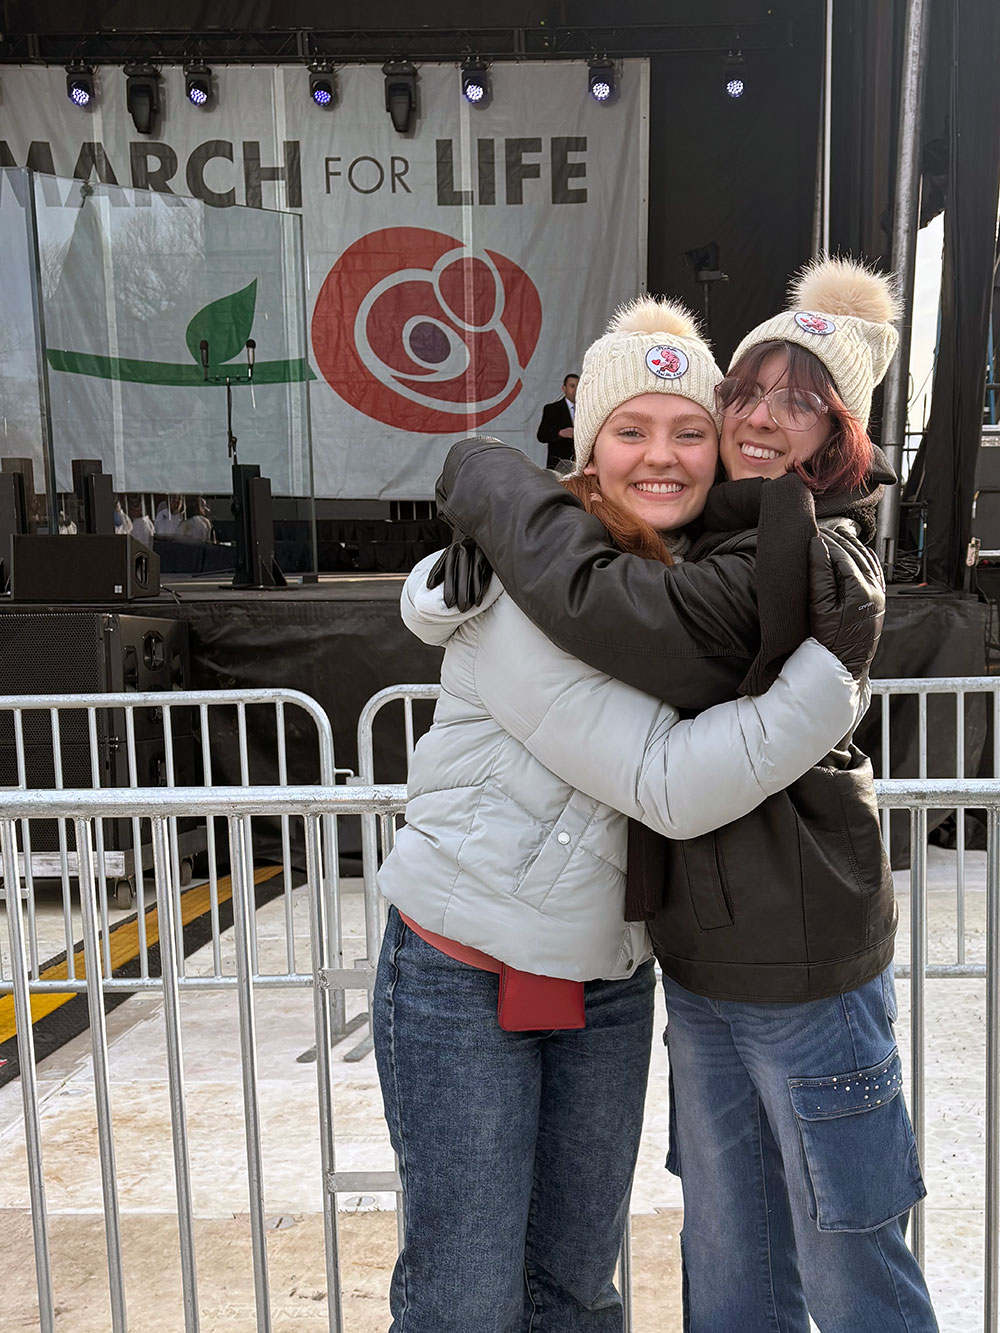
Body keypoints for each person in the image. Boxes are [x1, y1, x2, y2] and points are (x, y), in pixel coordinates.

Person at [430, 258, 938, 1330]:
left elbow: (610, 610)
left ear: (843, 432)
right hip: (700, 968)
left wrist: (482, 476)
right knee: (732, 1260)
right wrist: (453, 559)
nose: (760, 417)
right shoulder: (716, 531)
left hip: (802, 974)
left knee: (850, 1269)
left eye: (801, 401)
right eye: (746, 389)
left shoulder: (807, 556)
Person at [536, 372, 579, 471]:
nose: (576, 390)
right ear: (564, 388)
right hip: (559, 465)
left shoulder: (587, 409)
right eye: (572, 386)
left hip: (581, 466)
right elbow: (542, 435)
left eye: (578, 386)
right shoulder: (552, 409)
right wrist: (560, 433)